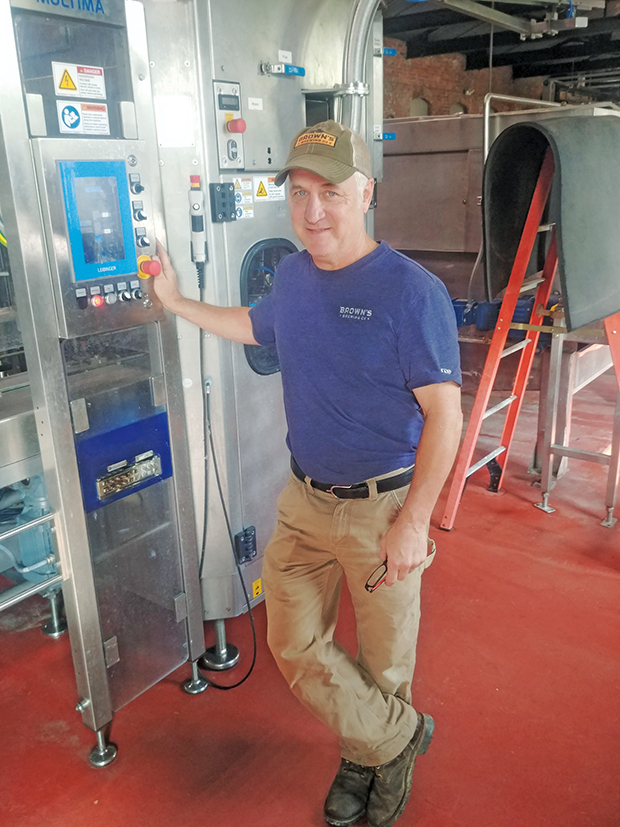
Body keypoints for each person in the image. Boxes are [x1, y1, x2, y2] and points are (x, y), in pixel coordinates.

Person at [152, 119, 463, 827]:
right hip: (303, 499)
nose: (313, 210)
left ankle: (367, 755)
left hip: (382, 507)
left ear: (366, 192)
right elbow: (254, 325)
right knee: (292, 641)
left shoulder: (411, 292)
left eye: (330, 192)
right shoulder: (292, 275)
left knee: (384, 661)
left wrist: (415, 521)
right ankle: (398, 738)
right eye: (299, 192)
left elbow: (444, 415)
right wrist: (175, 303)